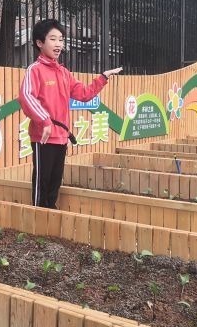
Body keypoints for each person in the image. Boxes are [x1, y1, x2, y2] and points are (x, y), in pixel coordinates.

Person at [19, 19, 122, 209]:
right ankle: (38, 217)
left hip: (61, 137)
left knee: (55, 182)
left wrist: (103, 77)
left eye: (61, 39)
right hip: (43, 137)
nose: (58, 44)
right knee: (42, 182)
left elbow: (84, 94)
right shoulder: (35, 70)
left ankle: (51, 213)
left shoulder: (63, 72)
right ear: (39, 42)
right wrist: (45, 121)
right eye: (53, 39)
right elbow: (26, 96)